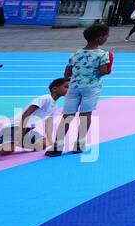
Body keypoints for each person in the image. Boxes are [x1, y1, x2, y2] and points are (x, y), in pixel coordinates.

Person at [47, 25, 111, 157]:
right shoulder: (103, 54)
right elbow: (104, 72)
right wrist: (108, 66)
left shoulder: (75, 54)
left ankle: (57, 146)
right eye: (106, 36)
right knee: (85, 115)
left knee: (67, 116)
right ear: (99, 38)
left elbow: (67, 73)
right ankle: (79, 144)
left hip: (74, 87)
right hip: (91, 88)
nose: (106, 38)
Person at [0, 77, 68, 154]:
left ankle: (14, 142)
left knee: (43, 144)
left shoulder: (55, 105)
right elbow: (27, 113)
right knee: (6, 151)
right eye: (66, 87)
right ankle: (6, 141)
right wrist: (22, 130)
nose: (69, 90)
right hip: (15, 127)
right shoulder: (45, 98)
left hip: (28, 130)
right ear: (54, 89)